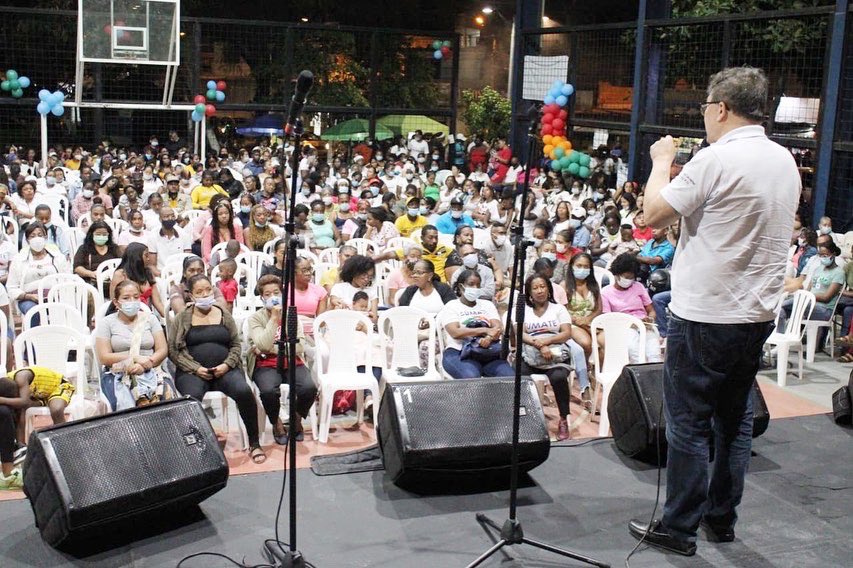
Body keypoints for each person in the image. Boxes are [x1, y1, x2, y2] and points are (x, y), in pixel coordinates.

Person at [628, 67, 800, 556]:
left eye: (705, 107)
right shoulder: (784, 159)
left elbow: (651, 214)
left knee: (688, 424)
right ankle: (721, 519)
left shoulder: (715, 158)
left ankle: (679, 527)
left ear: (721, 108)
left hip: (705, 315)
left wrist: (662, 161)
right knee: (735, 422)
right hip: (756, 315)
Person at [169, 274, 266, 464]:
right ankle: (198, 448)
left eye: (208, 290)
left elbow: (236, 345)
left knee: (244, 392)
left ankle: (254, 443)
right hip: (193, 372)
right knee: (190, 399)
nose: (205, 294)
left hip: (225, 370)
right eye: (199, 292)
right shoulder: (182, 318)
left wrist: (226, 365)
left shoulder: (223, 314)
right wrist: (196, 368)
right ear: (191, 295)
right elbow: (173, 350)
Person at [248, 275, 318, 444]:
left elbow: (299, 347)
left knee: (309, 388)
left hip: (292, 361)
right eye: (267, 294)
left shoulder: (292, 315)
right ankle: (276, 423)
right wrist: (273, 318)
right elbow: (263, 344)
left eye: (276, 292)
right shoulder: (255, 318)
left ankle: (296, 418)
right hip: (265, 364)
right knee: (268, 391)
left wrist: (271, 348)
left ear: (282, 294)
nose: (272, 297)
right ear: (261, 298)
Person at [95, 280, 170, 411]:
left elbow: (162, 349)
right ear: (116, 302)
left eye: (136, 297)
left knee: (166, 399)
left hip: (152, 368)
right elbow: (104, 357)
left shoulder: (150, 319)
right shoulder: (106, 323)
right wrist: (134, 358)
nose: (132, 301)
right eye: (126, 298)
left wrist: (147, 363)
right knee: (125, 403)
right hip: (119, 372)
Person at [515, 274, 573, 440]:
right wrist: (539, 345)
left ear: (548, 289)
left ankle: (563, 419)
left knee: (558, 377)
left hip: (555, 355)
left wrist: (547, 342)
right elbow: (520, 334)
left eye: (542, 286)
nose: (539, 291)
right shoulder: (523, 311)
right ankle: (525, 419)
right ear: (529, 292)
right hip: (531, 354)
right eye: (535, 288)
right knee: (518, 376)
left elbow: (566, 333)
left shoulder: (559, 309)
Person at [437, 268, 514, 379]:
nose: (475, 288)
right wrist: (484, 330)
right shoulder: (451, 306)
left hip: (488, 352)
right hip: (459, 352)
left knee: (509, 376)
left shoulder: (487, 304)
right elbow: (455, 332)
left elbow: (498, 327)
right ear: (461, 287)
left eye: (478, 285)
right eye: (471, 284)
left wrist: (488, 338)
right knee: (471, 377)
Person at [600, 253, 662, 363]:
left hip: (644, 325)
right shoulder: (606, 293)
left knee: (654, 352)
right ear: (617, 274)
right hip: (623, 327)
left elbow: (651, 310)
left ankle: (655, 373)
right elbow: (608, 319)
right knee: (634, 350)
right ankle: (638, 373)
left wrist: (650, 319)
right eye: (626, 277)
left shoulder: (638, 287)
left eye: (632, 278)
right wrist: (630, 324)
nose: (629, 280)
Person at [7, 222, 70, 327]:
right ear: (27, 240)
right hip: (29, 298)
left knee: (62, 308)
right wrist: (28, 296)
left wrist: (58, 293)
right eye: (32, 236)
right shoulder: (18, 260)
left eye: (40, 235)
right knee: (33, 311)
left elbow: (67, 279)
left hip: (55, 296)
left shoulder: (57, 257)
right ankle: (33, 337)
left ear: (46, 237)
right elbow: (11, 287)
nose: (37, 238)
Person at [109, 242, 166, 317]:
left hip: (146, 315)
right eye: (146, 256)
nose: (149, 259)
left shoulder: (148, 273)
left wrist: (169, 319)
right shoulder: (120, 275)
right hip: (124, 315)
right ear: (136, 257)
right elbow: (114, 301)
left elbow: (157, 302)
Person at [329, 254, 378, 318]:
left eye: (370, 277)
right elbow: (332, 307)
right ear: (353, 272)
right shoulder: (338, 288)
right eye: (363, 275)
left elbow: (374, 318)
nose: (366, 279)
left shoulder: (371, 291)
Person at [147, 207, 191, 274]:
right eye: (166, 216)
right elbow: (152, 265)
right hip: (161, 272)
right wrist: (163, 275)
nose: (170, 218)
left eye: (172, 216)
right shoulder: (153, 236)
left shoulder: (184, 234)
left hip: (181, 272)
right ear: (160, 219)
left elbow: (188, 260)